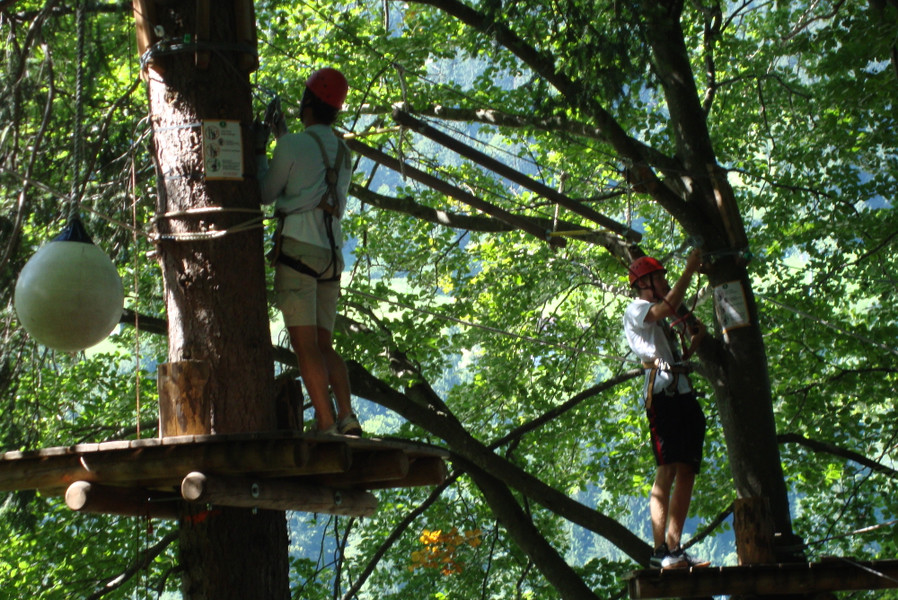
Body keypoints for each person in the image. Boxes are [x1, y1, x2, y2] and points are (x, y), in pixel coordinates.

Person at [256, 67, 362, 436]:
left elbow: (266, 193)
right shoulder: (344, 152)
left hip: (298, 253)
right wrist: (283, 137)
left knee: (305, 348)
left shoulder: (292, 145)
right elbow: (312, 172)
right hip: (331, 257)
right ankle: (346, 416)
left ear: (307, 103)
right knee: (324, 345)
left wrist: (261, 151)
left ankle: (326, 424)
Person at [623, 248, 708, 569]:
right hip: (662, 395)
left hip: (682, 391)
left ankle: (674, 547)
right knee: (668, 467)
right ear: (643, 284)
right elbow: (667, 307)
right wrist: (689, 268)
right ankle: (660, 551)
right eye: (657, 277)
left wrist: (695, 341)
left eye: (662, 276)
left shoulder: (662, 321)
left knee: (687, 469)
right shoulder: (637, 309)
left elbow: (674, 354)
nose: (663, 281)